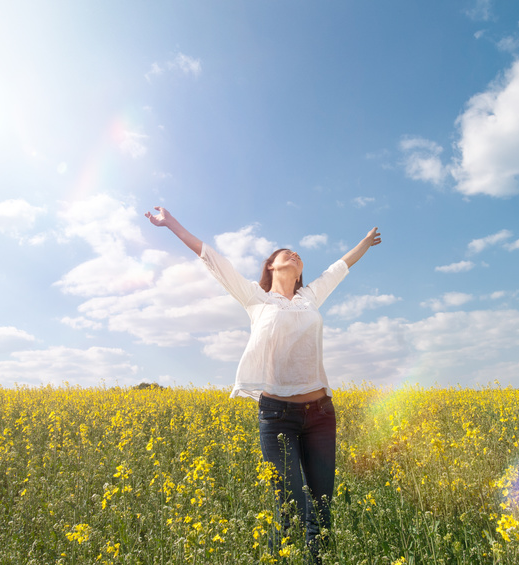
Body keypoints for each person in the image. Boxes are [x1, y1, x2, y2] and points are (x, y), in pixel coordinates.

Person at [145, 206, 381, 562]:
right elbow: (211, 258)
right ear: (271, 265)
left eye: (299, 255)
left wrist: (364, 244)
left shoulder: (310, 297)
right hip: (277, 417)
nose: (296, 255)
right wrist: (170, 223)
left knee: (320, 512)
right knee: (290, 510)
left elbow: (339, 268)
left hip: (320, 415)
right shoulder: (256, 298)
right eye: (288, 253)